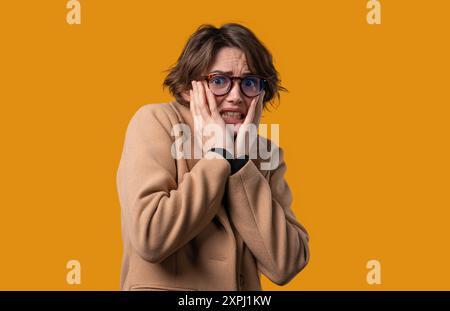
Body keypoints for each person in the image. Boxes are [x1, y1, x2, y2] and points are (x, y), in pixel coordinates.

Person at [116, 23, 309, 291]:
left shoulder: (265, 153)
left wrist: (241, 165)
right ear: (188, 87)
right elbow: (151, 237)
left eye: (249, 83)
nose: (235, 96)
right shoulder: (155, 122)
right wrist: (218, 157)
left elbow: (287, 263)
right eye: (219, 81)